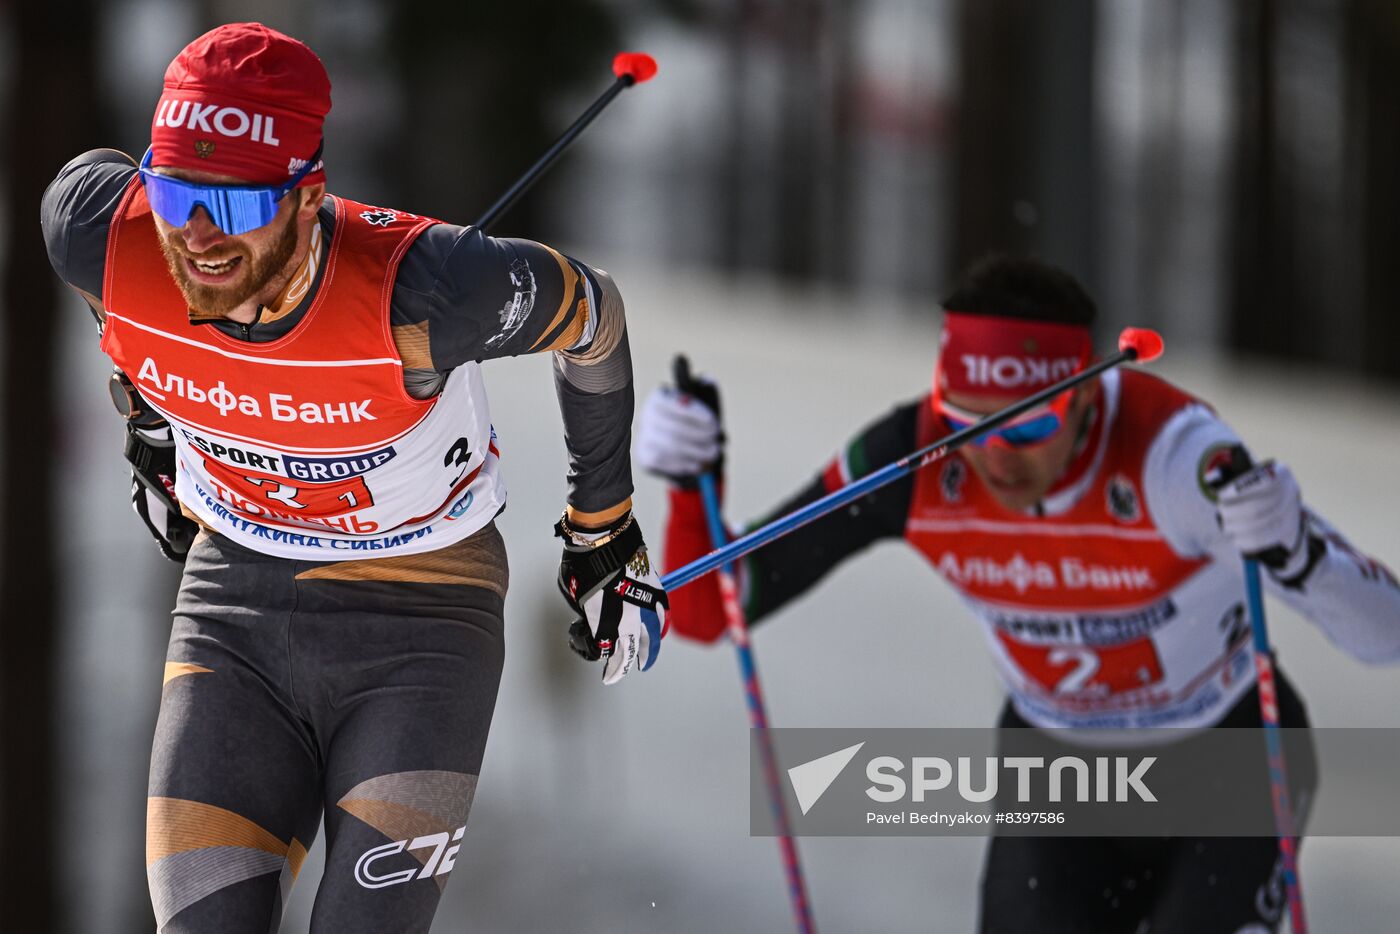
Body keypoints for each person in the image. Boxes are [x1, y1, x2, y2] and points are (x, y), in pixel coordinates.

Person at [41, 22, 667, 933]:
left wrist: (602, 530)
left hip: (419, 623)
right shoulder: (103, 235)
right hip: (236, 613)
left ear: (309, 198)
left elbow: (593, 316)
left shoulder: (427, 293)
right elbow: (110, 273)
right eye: (176, 196)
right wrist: (148, 420)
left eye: (242, 208)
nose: (202, 239)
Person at [637, 254, 1400, 933]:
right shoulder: (913, 455)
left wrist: (1297, 552)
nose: (998, 457)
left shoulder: (1174, 458)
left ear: (1089, 398)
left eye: (1030, 427)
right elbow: (710, 611)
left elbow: (1385, 632)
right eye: (970, 424)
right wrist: (686, 489)